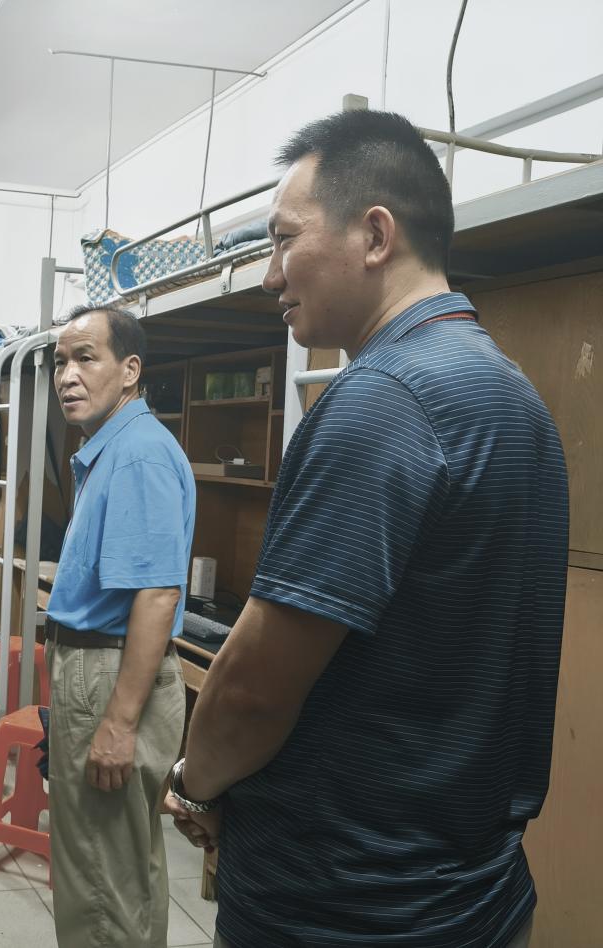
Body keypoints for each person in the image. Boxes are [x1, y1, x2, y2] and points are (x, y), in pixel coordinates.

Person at [164, 109, 568, 948]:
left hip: (346, 906)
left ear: (375, 235)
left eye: (284, 241)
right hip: (476, 894)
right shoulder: (514, 395)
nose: (269, 276)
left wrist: (195, 782)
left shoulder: (381, 400)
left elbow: (255, 687)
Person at [45, 305, 193, 947]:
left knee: (101, 883)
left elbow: (157, 595)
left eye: (86, 358)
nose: (67, 376)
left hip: (109, 674)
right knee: (118, 868)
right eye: (60, 362)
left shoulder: (136, 456)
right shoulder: (114, 448)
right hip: (100, 669)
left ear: (130, 370)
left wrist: (119, 722)